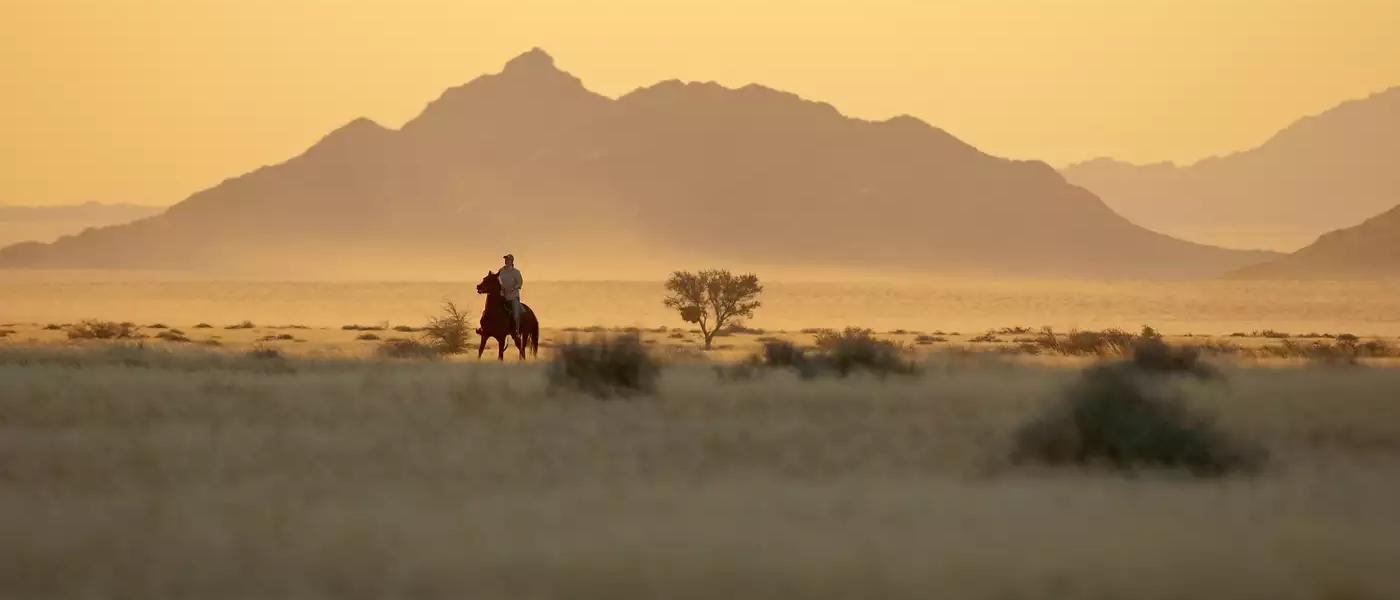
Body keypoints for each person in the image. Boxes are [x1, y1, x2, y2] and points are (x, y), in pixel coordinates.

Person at [498, 253, 524, 333]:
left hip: (513, 296)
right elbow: (498, 280)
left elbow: (520, 283)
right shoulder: (501, 271)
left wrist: (513, 288)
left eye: (508, 259)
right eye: (505, 259)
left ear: (511, 261)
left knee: (516, 315)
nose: (506, 261)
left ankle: (517, 330)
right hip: (502, 296)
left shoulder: (516, 272)